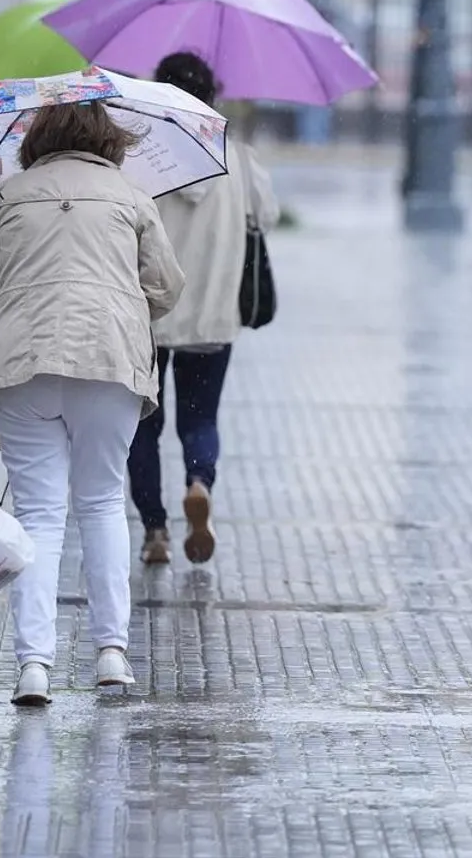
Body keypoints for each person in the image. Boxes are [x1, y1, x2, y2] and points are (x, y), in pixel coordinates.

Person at [0, 101, 184, 705]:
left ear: (36, 140)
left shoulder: (5, 199)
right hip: (108, 361)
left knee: (38, 516)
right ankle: (112, 653)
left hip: (21, 365)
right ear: (108, 140)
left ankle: (34, 664)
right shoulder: (132, 198)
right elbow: (166, 288)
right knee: (104, 502)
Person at [129, 52, 279, 568]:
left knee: (142, 426)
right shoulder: (238, 159)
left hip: (145, 316)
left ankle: (155, 531)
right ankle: (198, 481)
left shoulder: (143, 160)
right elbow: (269, 216)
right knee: (201, 418)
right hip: (213, 316)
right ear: (212, 96)